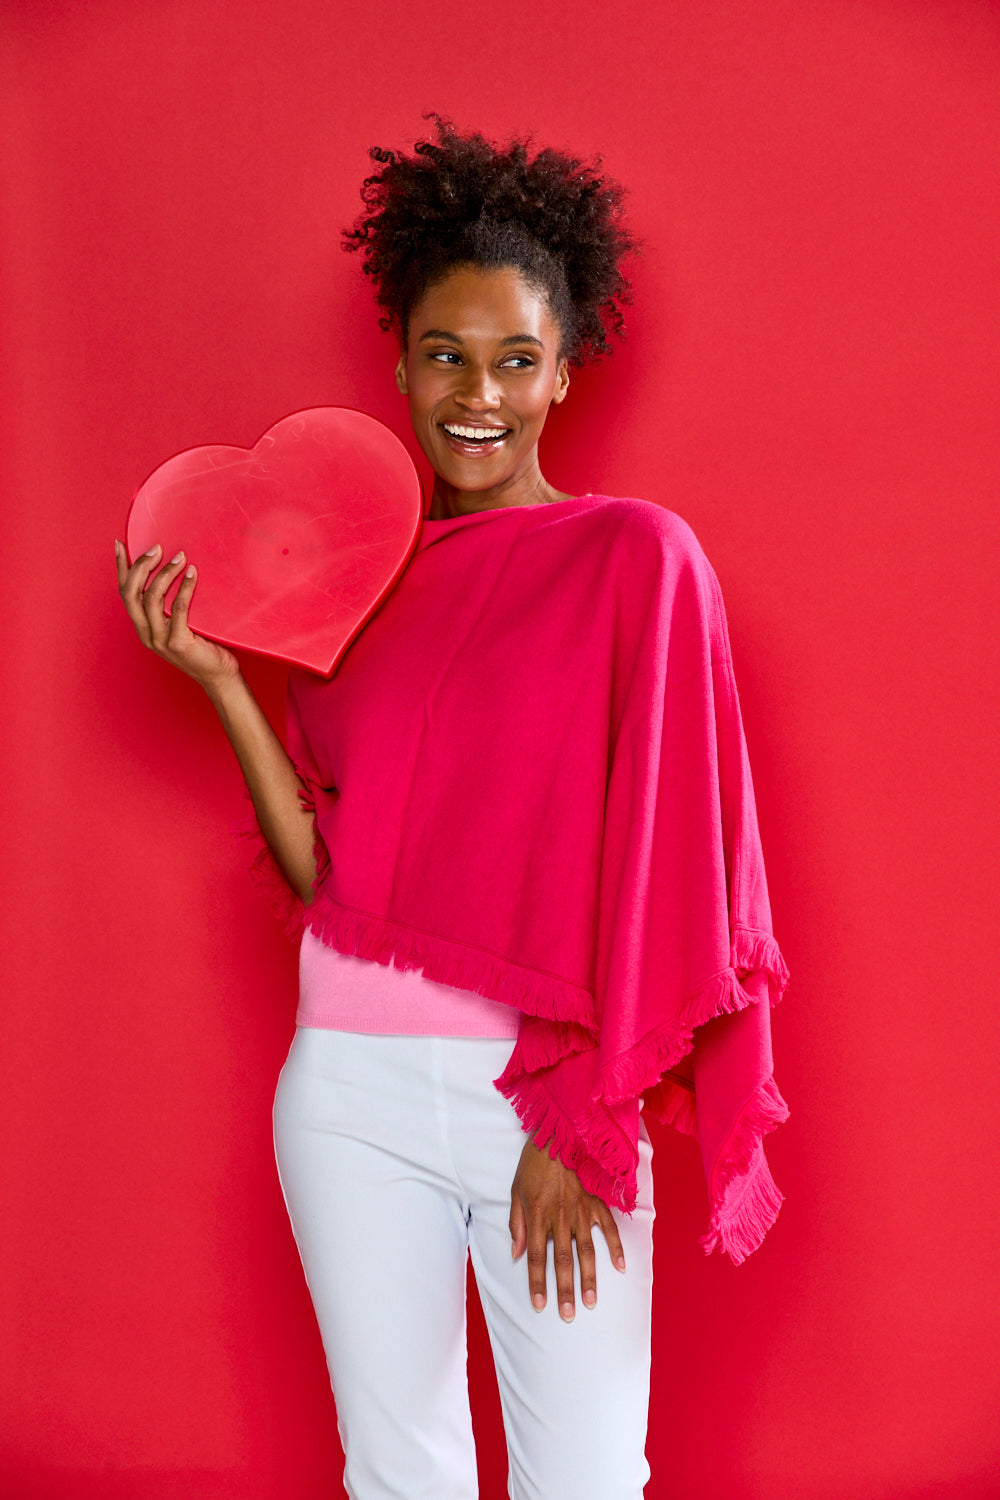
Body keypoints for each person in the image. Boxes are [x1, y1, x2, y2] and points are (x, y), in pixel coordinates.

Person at [115, 117, 788, 1500]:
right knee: (397, 1475)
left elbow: (667, 864)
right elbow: (334, 875)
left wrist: (580, 1117)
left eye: (515, 359)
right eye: (446, 354)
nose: (477, 393)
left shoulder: (635, 559)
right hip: (348, 1094)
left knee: (589, 1480)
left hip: (541, 1096)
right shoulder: (362, 583)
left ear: (560, 373)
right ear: (401, 362)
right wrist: (226, 687)